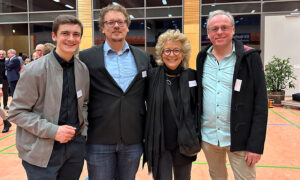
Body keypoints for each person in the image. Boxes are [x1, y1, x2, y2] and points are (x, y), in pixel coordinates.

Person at [7, 15, 90, 180]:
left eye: (76, 34)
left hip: (74, 151)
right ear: (54, 36)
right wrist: (53, 131)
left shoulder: (82, 69)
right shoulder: (34, 70)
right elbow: (16, 112)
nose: (71, 39)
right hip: (41, 152)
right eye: (65, 33)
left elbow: (84, 103)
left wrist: (83, 130)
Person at [79, 4, 151, 180]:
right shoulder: (86, 57)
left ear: (127, 26)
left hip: (133, 138)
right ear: (102, 28)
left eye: (120, 22)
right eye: (110, 22)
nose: (116, 26)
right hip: (98, 139)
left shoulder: (143, 57)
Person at [196, 10, 268, 180]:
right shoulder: (202, 58)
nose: (219, 32)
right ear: (208, 33)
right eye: (214, 29)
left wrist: (255, 145)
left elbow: (261, 104)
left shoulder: (250, 58)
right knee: (217, 177)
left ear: (233, 30)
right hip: (209, 138)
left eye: (224, 27)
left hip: (240, 140)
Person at [144, 29, 199, 180]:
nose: (172, 54)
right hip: (159, 145)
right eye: (167, 50)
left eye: (176, 50)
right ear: (161, 53)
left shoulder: (192, 76)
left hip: (184, 144)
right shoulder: (151, 76)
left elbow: (198, 108)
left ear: (183, 53)